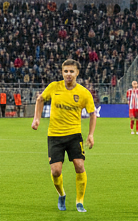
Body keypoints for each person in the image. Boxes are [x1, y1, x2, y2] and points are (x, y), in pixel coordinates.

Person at [32, 59, 97, 212]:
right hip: (55, 135)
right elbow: (40, 99)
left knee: (79, 166)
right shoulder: (54, 87)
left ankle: (79, 201)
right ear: (62, 72)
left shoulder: (84, 93)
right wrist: (36, 119)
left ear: (77, 73)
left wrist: (91, 135)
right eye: (66, 71)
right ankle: (61, 195)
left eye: (71, 71)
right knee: (56, 171)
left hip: (74, 135)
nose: (68, 74)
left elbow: (92, 114)